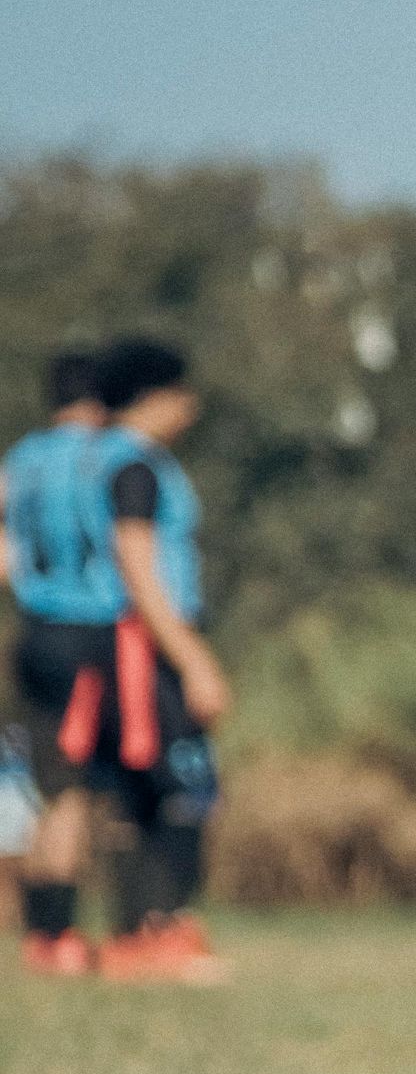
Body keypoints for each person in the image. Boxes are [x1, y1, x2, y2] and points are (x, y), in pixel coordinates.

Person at [87, 337, 233, 982]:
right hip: (143, 644)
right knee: (178, 787)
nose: (191, 406)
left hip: (129, 642)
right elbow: (139, 567)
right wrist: (192, 657)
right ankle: (158, 928)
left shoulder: (98, 458)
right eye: (181, 392)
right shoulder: (135, 467)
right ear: (153, 398)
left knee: (144, 791)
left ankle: (141, 932)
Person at [1, 348, 113, 973]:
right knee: (74, 791)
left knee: (47, 787)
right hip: (84, 631)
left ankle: (39, 935)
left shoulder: (20, 459)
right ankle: (61, 934)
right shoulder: (104, 457)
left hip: (31, 630)